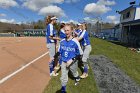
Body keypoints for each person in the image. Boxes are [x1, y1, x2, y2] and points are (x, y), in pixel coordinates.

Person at [58, 24, 83, 93]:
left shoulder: (75, 41)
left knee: (74, 73)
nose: (66, 32)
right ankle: (63, 90)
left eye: (68, 30)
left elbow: (80, 53)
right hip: (63, 61)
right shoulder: (62, 41)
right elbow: (59, 51)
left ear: (72, 31)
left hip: (73, 62)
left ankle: (77, 78)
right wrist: (58, 58)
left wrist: (71, 59)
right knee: (63, 76)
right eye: (65, 30)